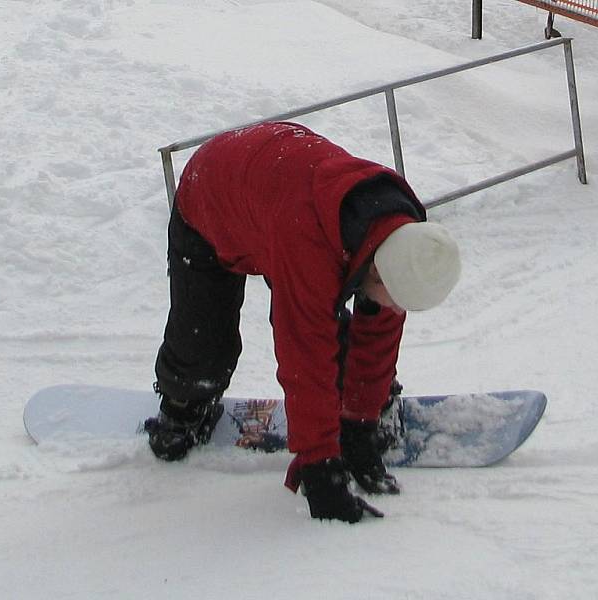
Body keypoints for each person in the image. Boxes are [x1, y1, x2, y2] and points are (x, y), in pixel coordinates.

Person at [144, 121, 461, 523]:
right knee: (205, 347)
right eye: (398, 302)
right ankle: (182, 409)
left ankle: (354, 406)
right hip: (213, 197)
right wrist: (320, 467)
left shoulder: (403, 234)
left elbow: (378, 328)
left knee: (343, 351)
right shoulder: (308, 246)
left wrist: (359, 423)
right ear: (378, 272)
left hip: (279, 191)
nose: (397, 312)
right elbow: (304, 356)